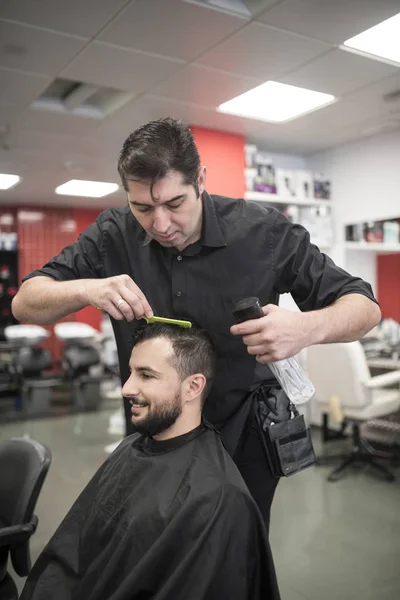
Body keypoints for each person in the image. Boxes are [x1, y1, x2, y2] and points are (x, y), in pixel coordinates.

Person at [12, 117, 381, 587]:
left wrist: (305, 327)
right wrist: (87, 287)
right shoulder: (113, 234)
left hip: (243, 437)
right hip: (156, 437)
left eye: (174, 203)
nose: (160, 224)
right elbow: (26, 302)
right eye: (142, 207)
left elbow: (364, 306)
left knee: (230, 563)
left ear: (201, 180)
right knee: (159, 560)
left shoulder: (264, 234)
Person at [20, 323, 276, 600]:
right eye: (131, 372)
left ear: (193, 387)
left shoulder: (219, 498)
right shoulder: (132, 447)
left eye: (146, 375)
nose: (127, 388)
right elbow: (73, 552)